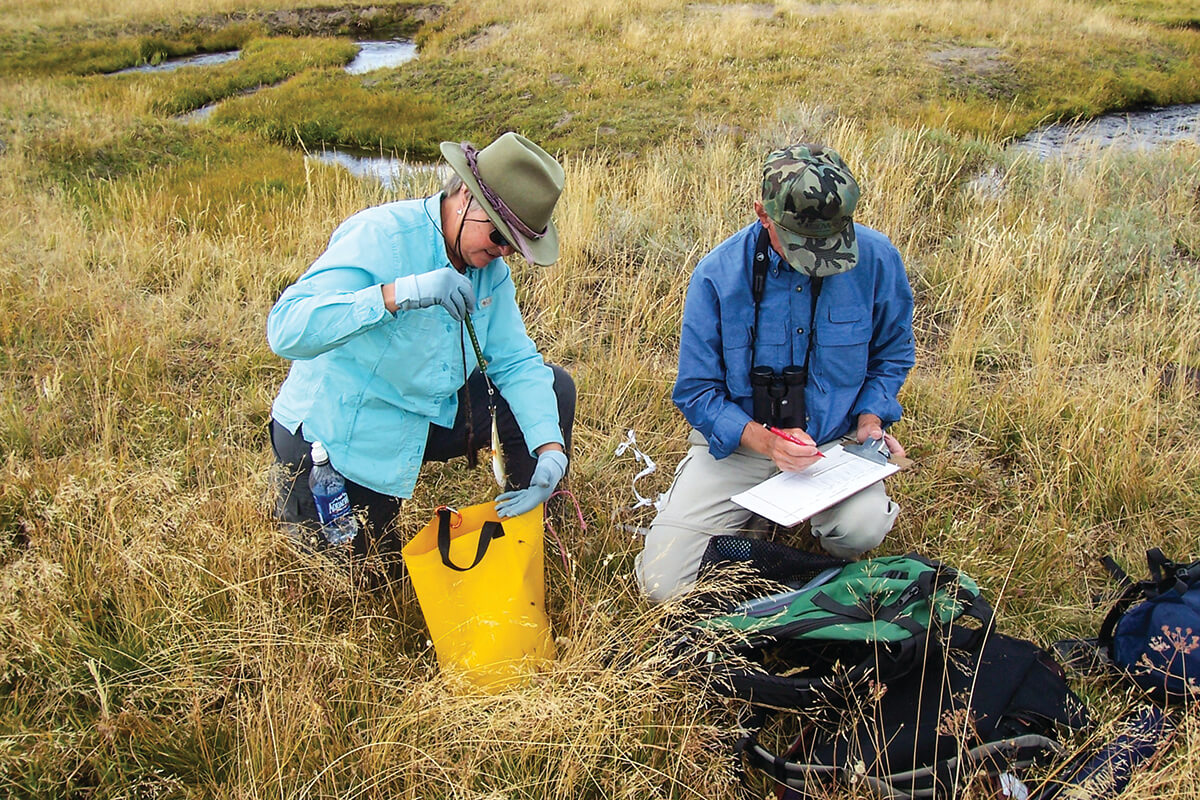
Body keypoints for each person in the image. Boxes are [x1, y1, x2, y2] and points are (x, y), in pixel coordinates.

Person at [266, 131, 575, 569]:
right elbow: (287, 330)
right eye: (498, 235)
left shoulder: (491, 271)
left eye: (514, 245)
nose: (502, 252)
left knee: (554, 387)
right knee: (367, 582)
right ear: (466, 195)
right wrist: (396, 295)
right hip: (340, 437)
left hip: (424, 411)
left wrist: (549, 448)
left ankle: (531, 533)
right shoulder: (381, 235)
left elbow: (515, 361)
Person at [636, 143, 915, 603]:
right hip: (739, 448)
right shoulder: (716, 275)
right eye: (805, 245)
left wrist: (870, 421)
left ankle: (804, 530)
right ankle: (756, 516)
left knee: (860, 528)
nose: (819, 258)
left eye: (830, 243)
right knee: (662, 584)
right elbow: (697, 391)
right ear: (762, 215)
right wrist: (766, 443)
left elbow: (893, 354)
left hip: (835, 445)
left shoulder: (878, 259)